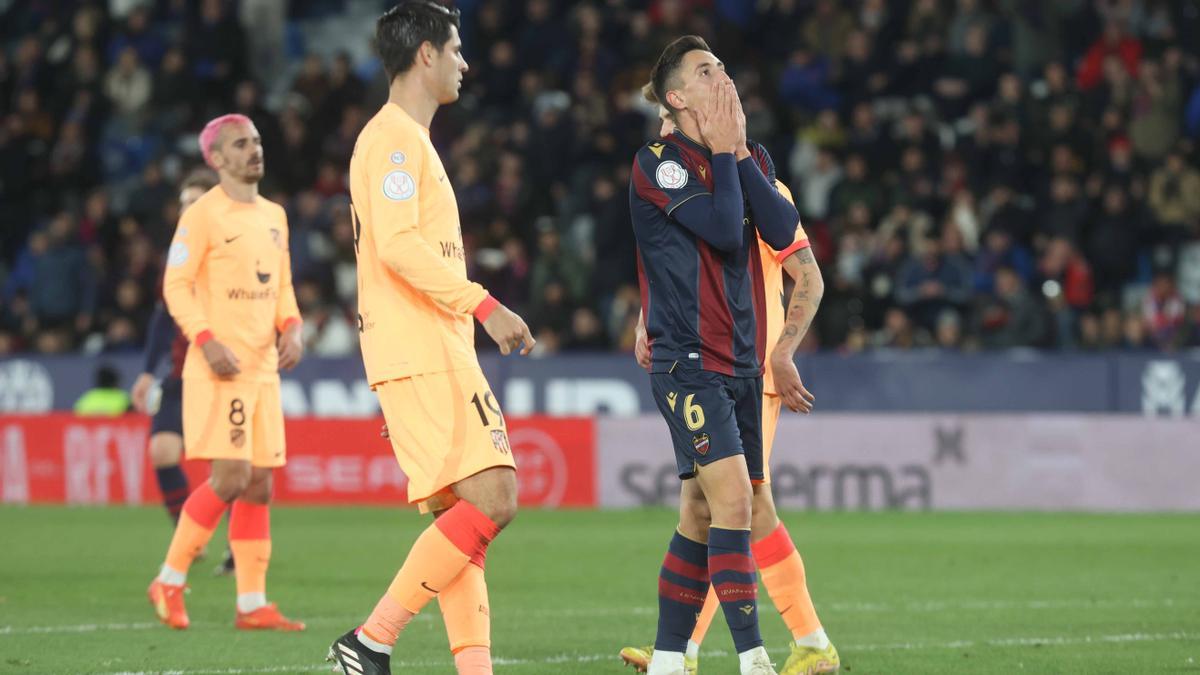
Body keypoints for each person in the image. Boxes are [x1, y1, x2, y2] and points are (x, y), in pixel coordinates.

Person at [327, 3, 535, 675]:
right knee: (496, 496)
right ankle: (370, 639)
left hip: (429, 346)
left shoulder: (409, 140)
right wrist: (485, 304)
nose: (464, 63)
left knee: (470, 512)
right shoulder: (391, 139)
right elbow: (397, 247)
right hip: (421, 348)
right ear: (425, 55)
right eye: (456, 49)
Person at [621, 103, 840, 675]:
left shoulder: (758, 186)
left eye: (668, 123)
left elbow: (810, 278)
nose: (664, 135)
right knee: (722, 505)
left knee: (735, 505)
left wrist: (784, 350)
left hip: (754, 371)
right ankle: (691, 651)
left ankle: (771, 646)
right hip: (712, 364)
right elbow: (675, 268)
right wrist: (650, 319)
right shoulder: (690, 185)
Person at [145, 112, 305, 632]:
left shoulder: (275, 215)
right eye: (241, 144)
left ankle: (252, 602)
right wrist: (206, 339)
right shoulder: (201, 216)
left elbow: (281, 285)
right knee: (231, 477)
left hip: (263, 369)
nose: (254, 150)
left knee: (259, 484)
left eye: (257, 141)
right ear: (216, 159)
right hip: (219, 368)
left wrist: (293, 327)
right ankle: (169, 578)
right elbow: (176, 285)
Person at [130, 168, 217, 528]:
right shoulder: (178, 257)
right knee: (162, 452)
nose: (186, 210)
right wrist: (149, 372)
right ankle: (187, 534)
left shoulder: (231, 253)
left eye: (194, 202)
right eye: (183, 203)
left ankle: (235, 547)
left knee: (229, 470)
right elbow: (163, 318)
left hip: (220, 373)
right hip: (181, 374)